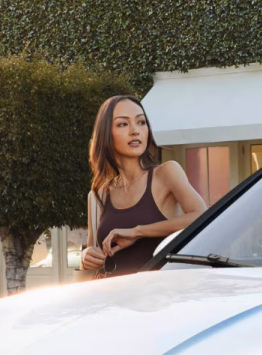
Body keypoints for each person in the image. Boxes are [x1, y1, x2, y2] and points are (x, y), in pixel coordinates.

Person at [80, 95, 206, 276]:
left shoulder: (166, 173)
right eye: (123, 124)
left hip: (156, 298)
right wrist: (86, 256)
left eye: (141, 122)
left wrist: (138, 232)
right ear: (106, 134)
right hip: (111, 297)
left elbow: (202, 216)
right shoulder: (99, 194)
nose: (135, 131)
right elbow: (93, 251)